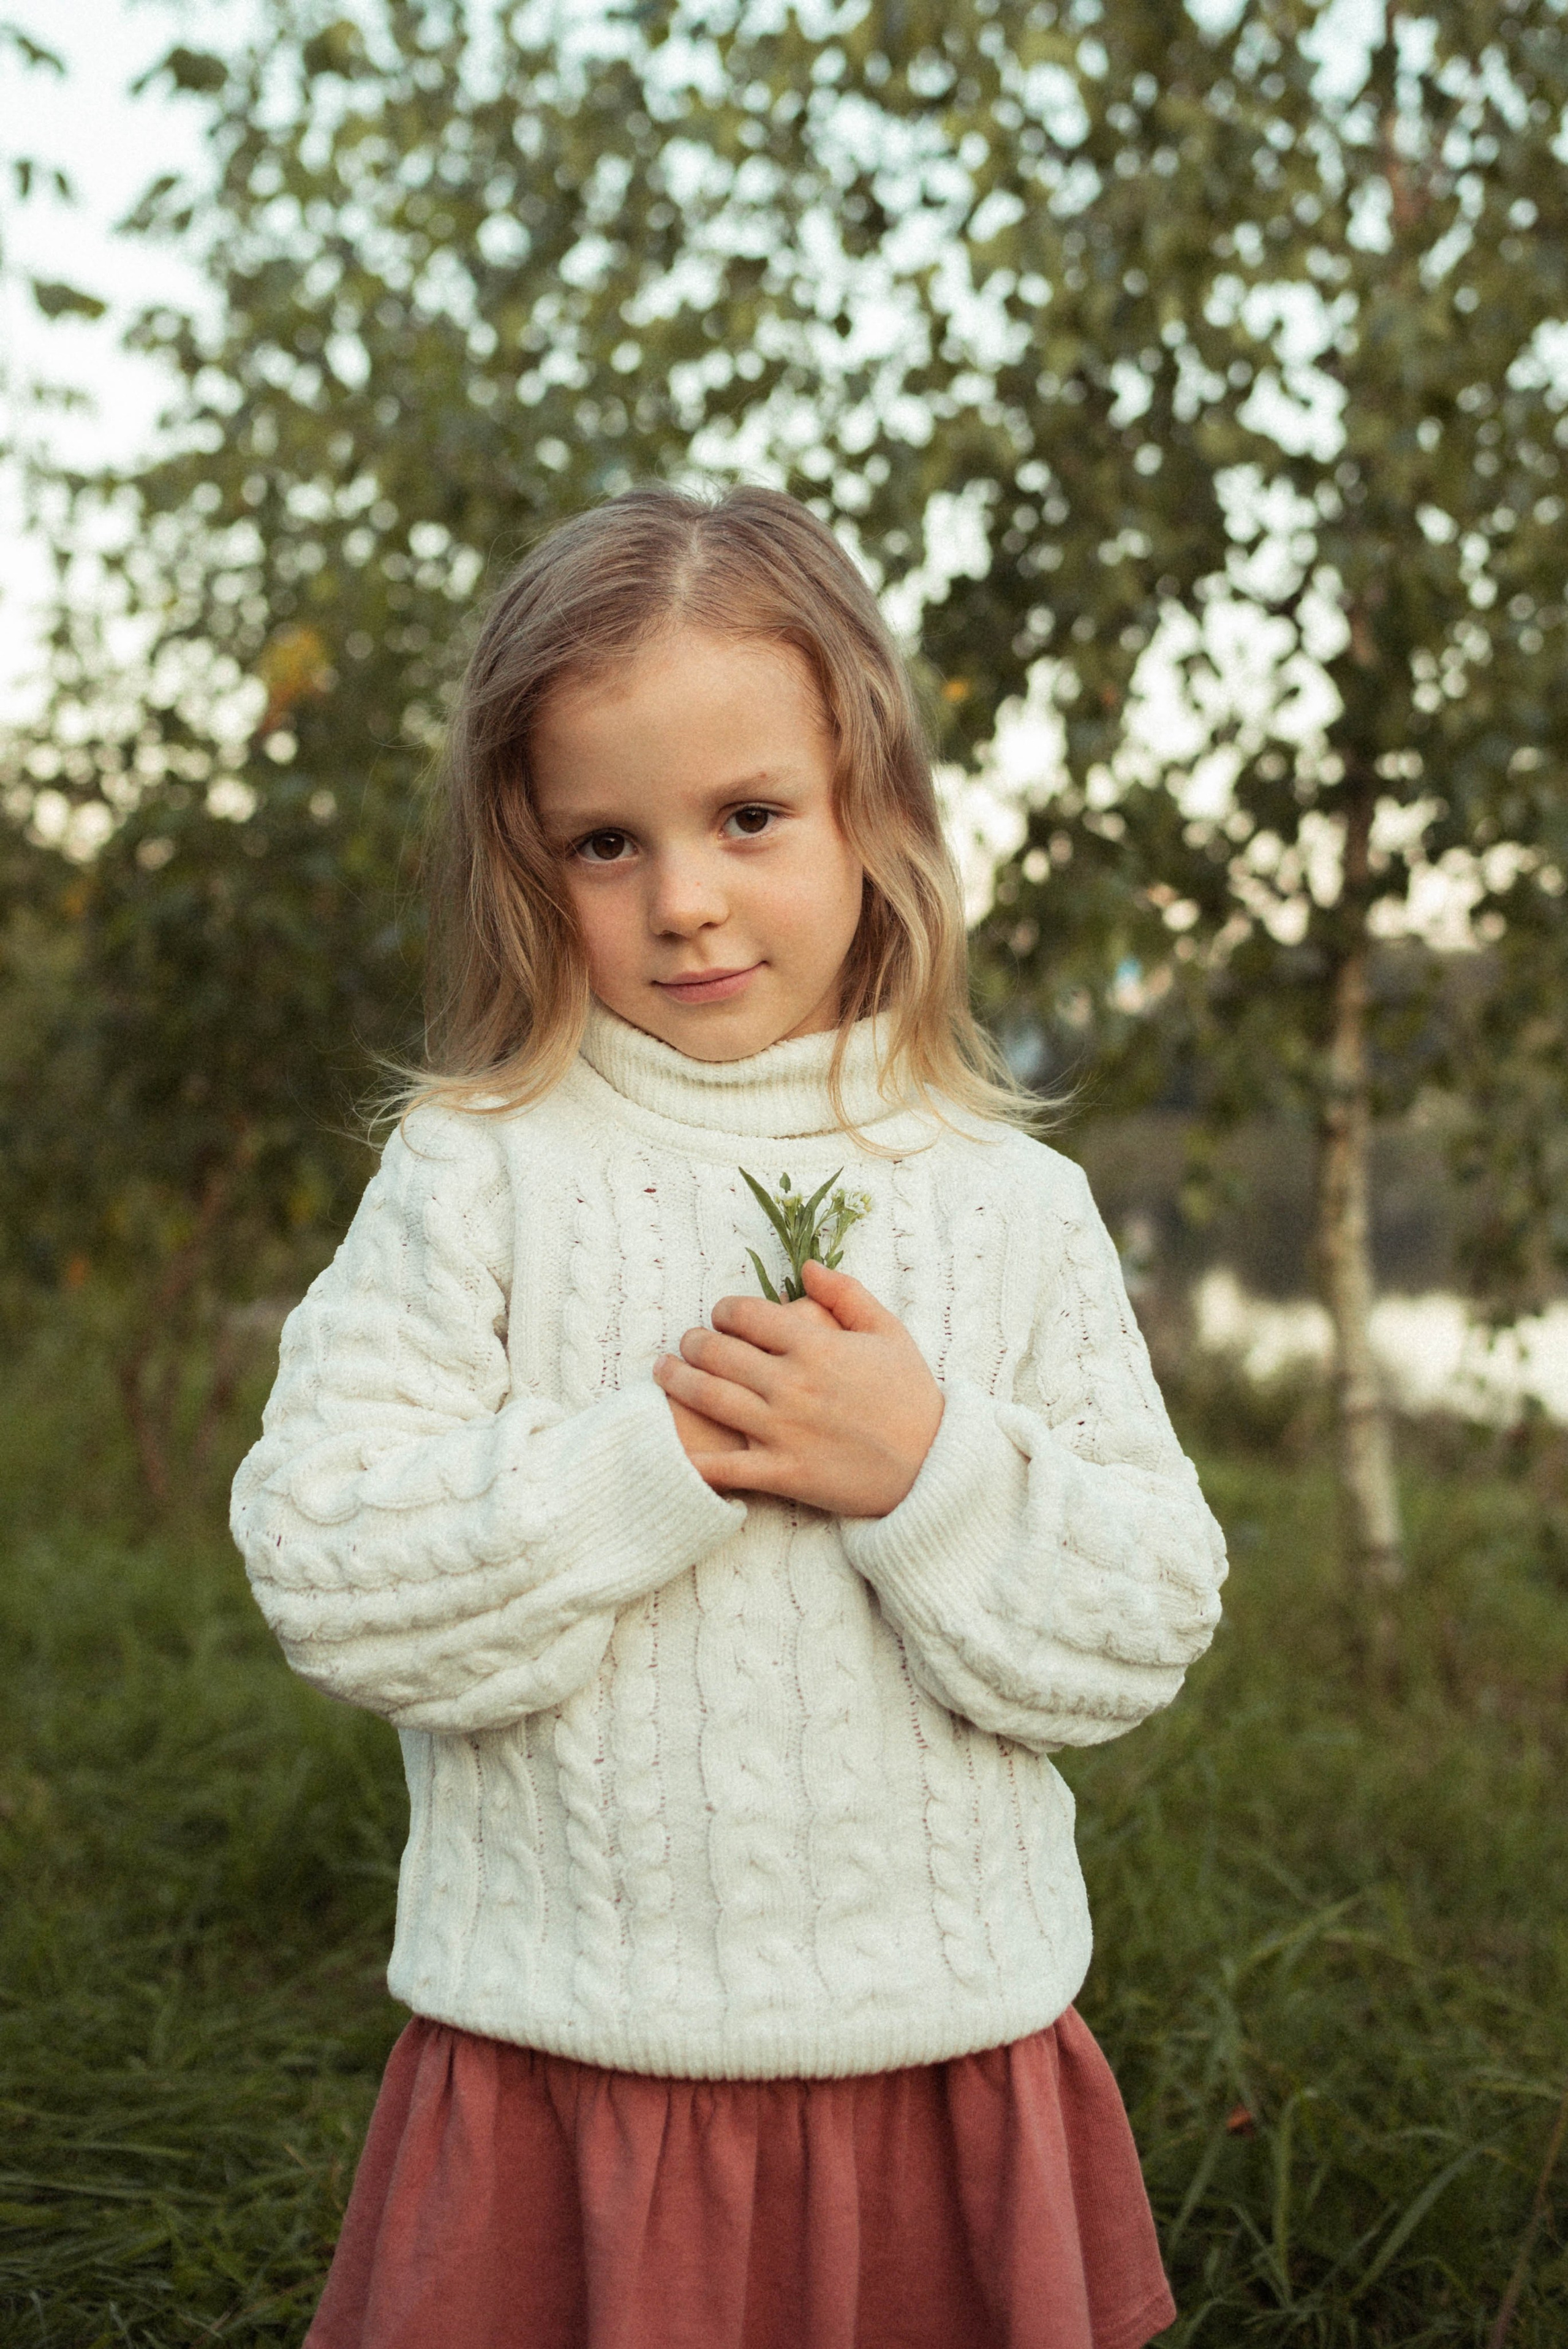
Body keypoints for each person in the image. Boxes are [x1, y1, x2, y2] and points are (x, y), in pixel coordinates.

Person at [231, 483, 1227, 2349]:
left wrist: (926, 1479)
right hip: (563, 2063)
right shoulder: (478, 1170)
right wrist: (643, 1466)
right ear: (525, 862)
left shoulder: (1005, 1201)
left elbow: (1142, 1621)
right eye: (605, 841)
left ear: (875, 809)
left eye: (748, 816)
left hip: (939, 2061)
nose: (683, 897)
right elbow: (328, 1565)